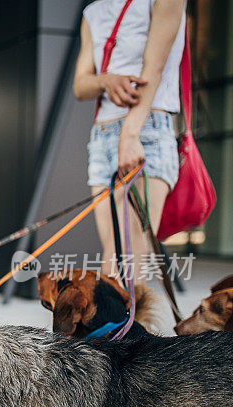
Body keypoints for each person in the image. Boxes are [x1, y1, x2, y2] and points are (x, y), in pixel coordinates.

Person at [74, 0, 186, 280]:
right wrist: (106, 81)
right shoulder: (93, 12)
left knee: (121, 267)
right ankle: (130, 323)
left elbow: (154, 67)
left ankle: (117, 323)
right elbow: (80, 85)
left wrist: (130, 134)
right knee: (120, 262)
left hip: (145, 130)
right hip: (102, 137)